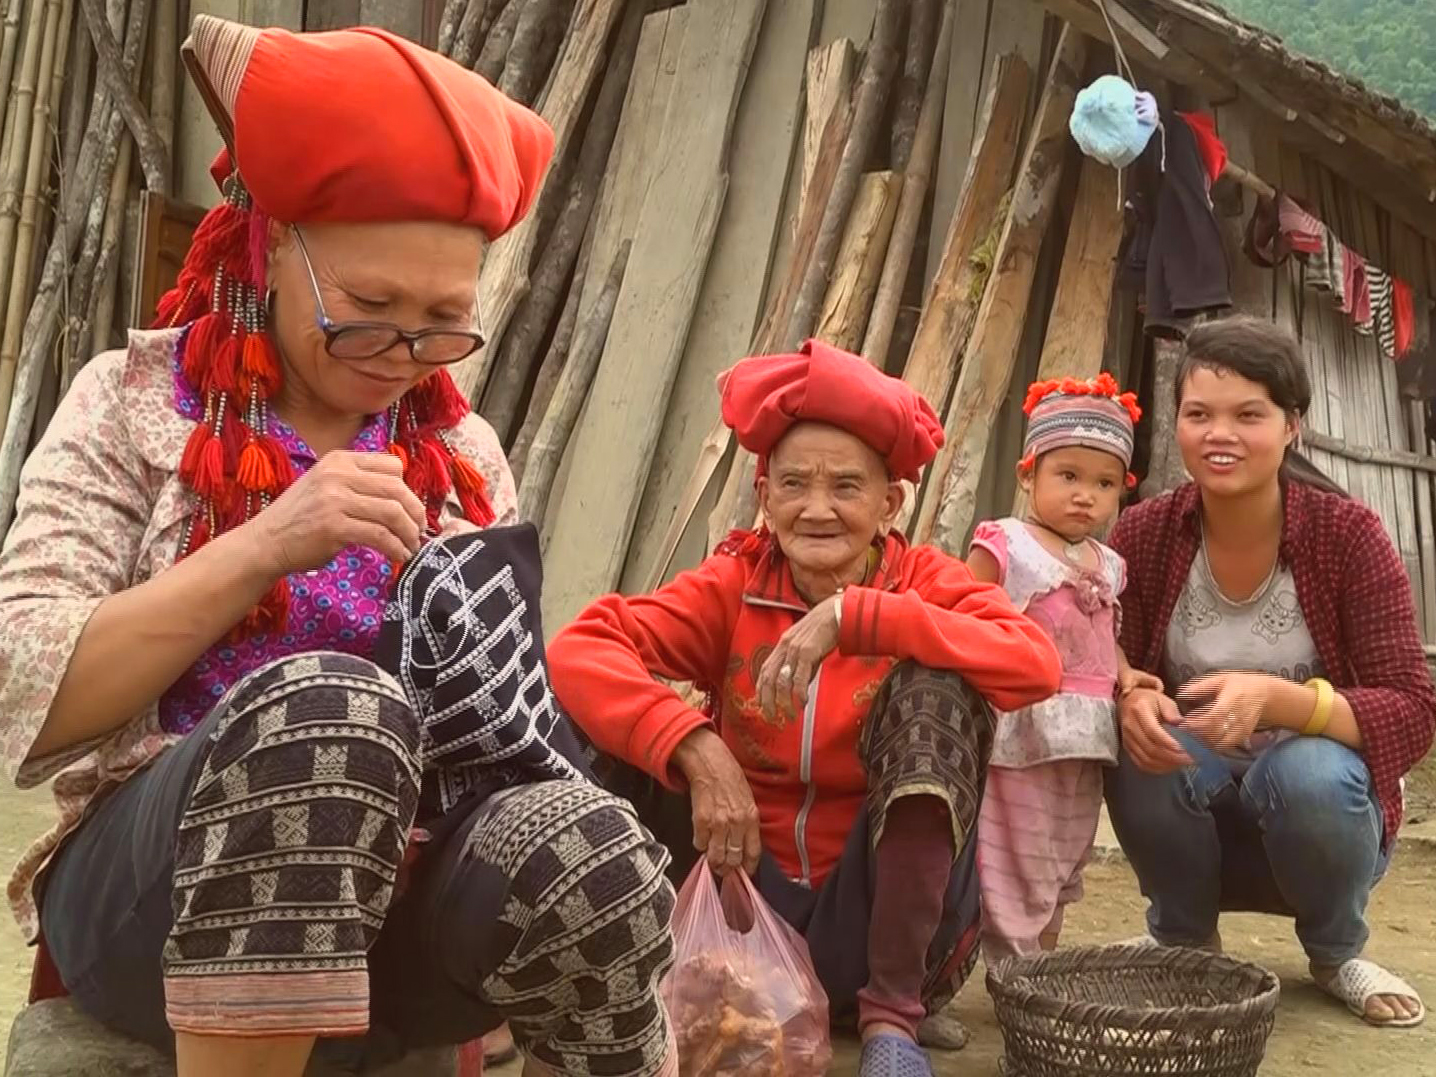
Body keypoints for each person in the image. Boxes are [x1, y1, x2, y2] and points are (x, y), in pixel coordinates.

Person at [0, 16, 677, 1077]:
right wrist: (265, 544)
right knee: (332, 707)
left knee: (586, 841)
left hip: (397, 923)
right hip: (155, 903)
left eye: (442, 320)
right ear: (270, 248)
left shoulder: (456, 451)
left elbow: (505, 734)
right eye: (367, 309)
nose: (402, 353)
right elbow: (24, 694)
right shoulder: (130, 405)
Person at [548, 340, 1063, 1077]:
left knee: (937, 695)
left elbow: (1034, 663)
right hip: (742, 911)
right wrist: (695, 745)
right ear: (765, 495)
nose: (817, 508)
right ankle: (610, 977)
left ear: (889, 503)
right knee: (588, 728)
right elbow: (580, 646)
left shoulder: (923, 579)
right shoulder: (734, 585)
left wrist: (863, 617)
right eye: (793, 484)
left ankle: (891, 1021)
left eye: (846, 487)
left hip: (883, 930)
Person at [1107, 315, 1434, 1029]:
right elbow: (1104, 652)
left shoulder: (1349, 536)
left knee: (1308, 769)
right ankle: (1184, 937)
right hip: (1196, 814)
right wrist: (1127, 690)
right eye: (1199, 414)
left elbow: (1413, 709)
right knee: (1137, 746)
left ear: (1293, 426)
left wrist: (1283, 701)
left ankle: (1336, 947)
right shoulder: (1145, 532)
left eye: (1248, 414)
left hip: (1322, 823)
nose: (1219, 433)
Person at [966, 374, 1157, 961]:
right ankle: (1012, 966)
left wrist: (1126, 672)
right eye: (1067, 476)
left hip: (1086, 740)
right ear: (1029, 475)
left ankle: (1042, 963)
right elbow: (963, 613)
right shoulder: (1009, 544)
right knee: (1016, 853)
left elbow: (1102, 635)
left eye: (1104, 483)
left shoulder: (1110, 564)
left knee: (1067, 850)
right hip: (1024, 733)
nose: (1085, 496)